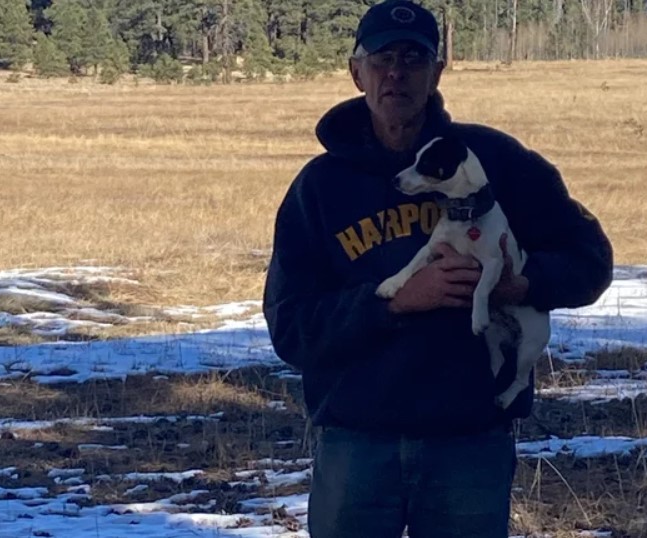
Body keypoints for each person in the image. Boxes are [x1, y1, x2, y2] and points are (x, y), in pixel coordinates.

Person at [262, 1, 613, 536]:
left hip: (469, 440)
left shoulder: (499, 162)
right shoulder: (321, 188)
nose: (396, 73)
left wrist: (519, 285)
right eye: (381, 59)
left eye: (413, 58)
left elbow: (590, 261)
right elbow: (291, 327)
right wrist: (395, 302)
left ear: (438, 71)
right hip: (356, 442)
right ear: (357, 72)